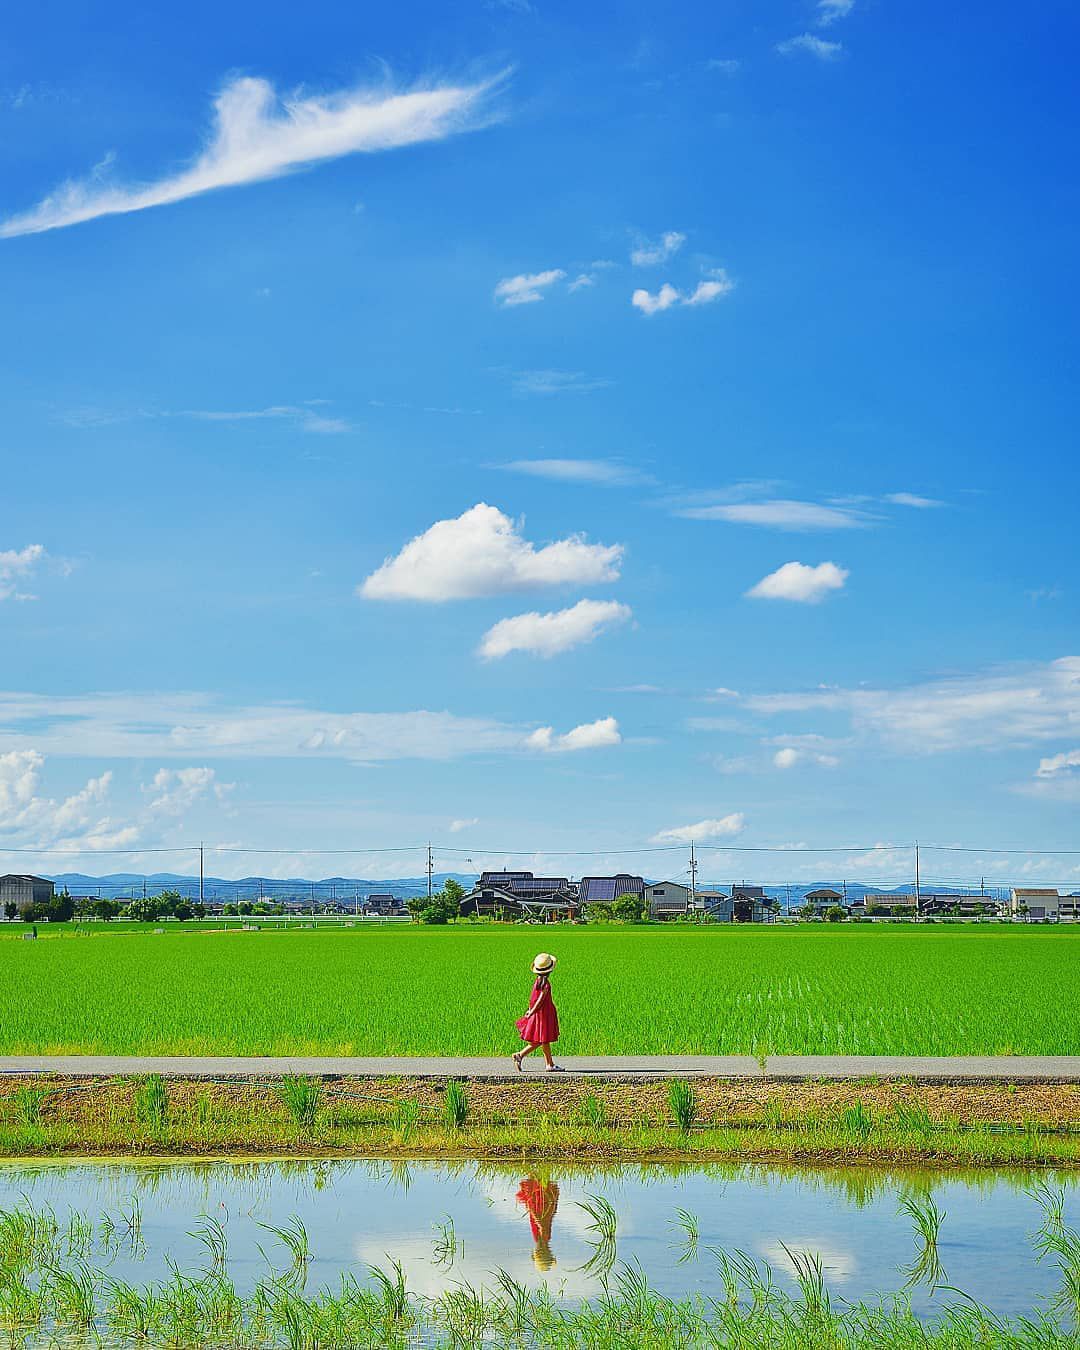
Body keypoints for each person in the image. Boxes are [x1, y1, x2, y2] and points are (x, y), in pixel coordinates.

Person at [513, 952, 561, 1071]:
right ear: (549, 970)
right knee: (542, 1039)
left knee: (544, 1040)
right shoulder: (546, 985)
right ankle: (521, 1055)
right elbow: (540, 1000)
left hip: (539, 1014)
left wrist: (531, 1009)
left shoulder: (537, 982)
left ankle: (549, 1064)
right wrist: (532, 1011)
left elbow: (533, 998)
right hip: (543, 1014)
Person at [516, 1175, 560, 1270]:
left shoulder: (541, 1239)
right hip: (541, 1208)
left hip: (539, 1208)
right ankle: (538, 1175)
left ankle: (537, 1175)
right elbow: (542, 1224)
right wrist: (534, 1213)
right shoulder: (544, 1238)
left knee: (537, 1187)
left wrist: (532, 1210)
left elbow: (542, 1222)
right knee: (538, 1188)